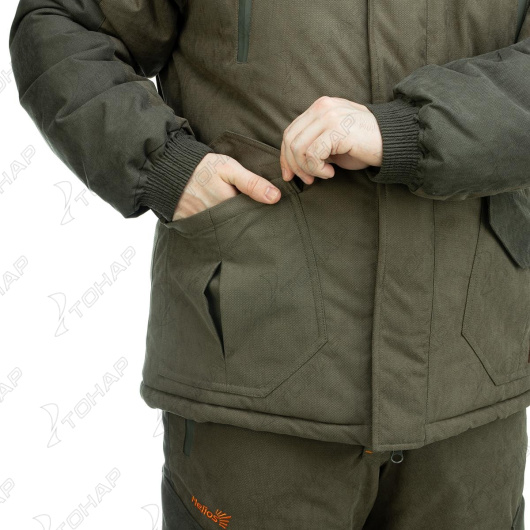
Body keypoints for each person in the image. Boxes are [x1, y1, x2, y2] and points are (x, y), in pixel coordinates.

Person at [9, 0, 530, 528]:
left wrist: (408, 130)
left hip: (473, 380)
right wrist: (166, 166)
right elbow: (62, 24)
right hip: (252, 371)